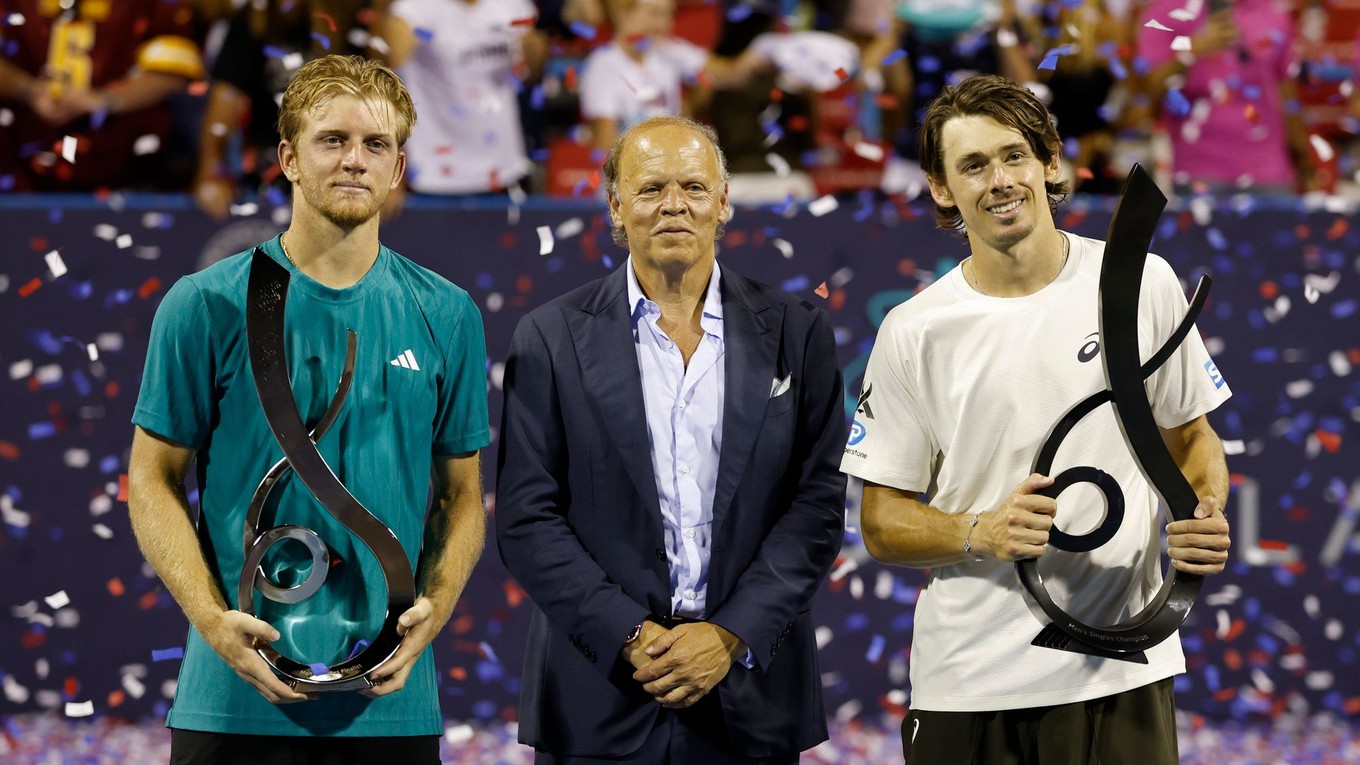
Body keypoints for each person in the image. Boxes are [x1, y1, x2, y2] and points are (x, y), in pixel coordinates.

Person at [840, 74, 1232, 764]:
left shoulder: (1144, 283)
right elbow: (880, 521)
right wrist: (978, 530)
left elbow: (1192, 435)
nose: (999, 180)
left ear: (1050, 163)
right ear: (941, 189)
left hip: (1122, 669)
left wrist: (1202, 509)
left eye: (1014, 155)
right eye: (972, 165)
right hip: (968, 682)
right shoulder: (913, 331)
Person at [127, 55, 489, 763]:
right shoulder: (206, 303)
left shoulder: (448, 313)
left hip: (392, 707)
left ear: (399, 169)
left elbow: (465, 496)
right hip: (233, 705)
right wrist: (210, 619)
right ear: (289, 158)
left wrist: (435, 611)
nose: (355, 160)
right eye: (333, 140)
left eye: (375, 145)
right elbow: (151, 479)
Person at [496, 115, 847, 764]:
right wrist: (631, 635)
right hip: (599, 695)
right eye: (652, 187)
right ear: (616, 208)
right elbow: (526, 516)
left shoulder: (798, 332)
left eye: (692, 186)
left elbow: (818, 502)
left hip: (751, 695)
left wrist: (728, 633)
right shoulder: (548, 336)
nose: (673, 204)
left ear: (723, 204)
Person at [0, 0, 203, 191]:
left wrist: (102, 99)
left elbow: (175, 68)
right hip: (18, 160)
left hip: (130, 165)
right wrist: (28, 90)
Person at [379, 0, 548, 196]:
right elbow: (386, 86)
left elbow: (529, 75)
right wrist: (389, 170)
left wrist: (537, 52)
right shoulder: (412, 10)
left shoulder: (513, 5)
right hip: (435, 174)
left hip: (503, 169)